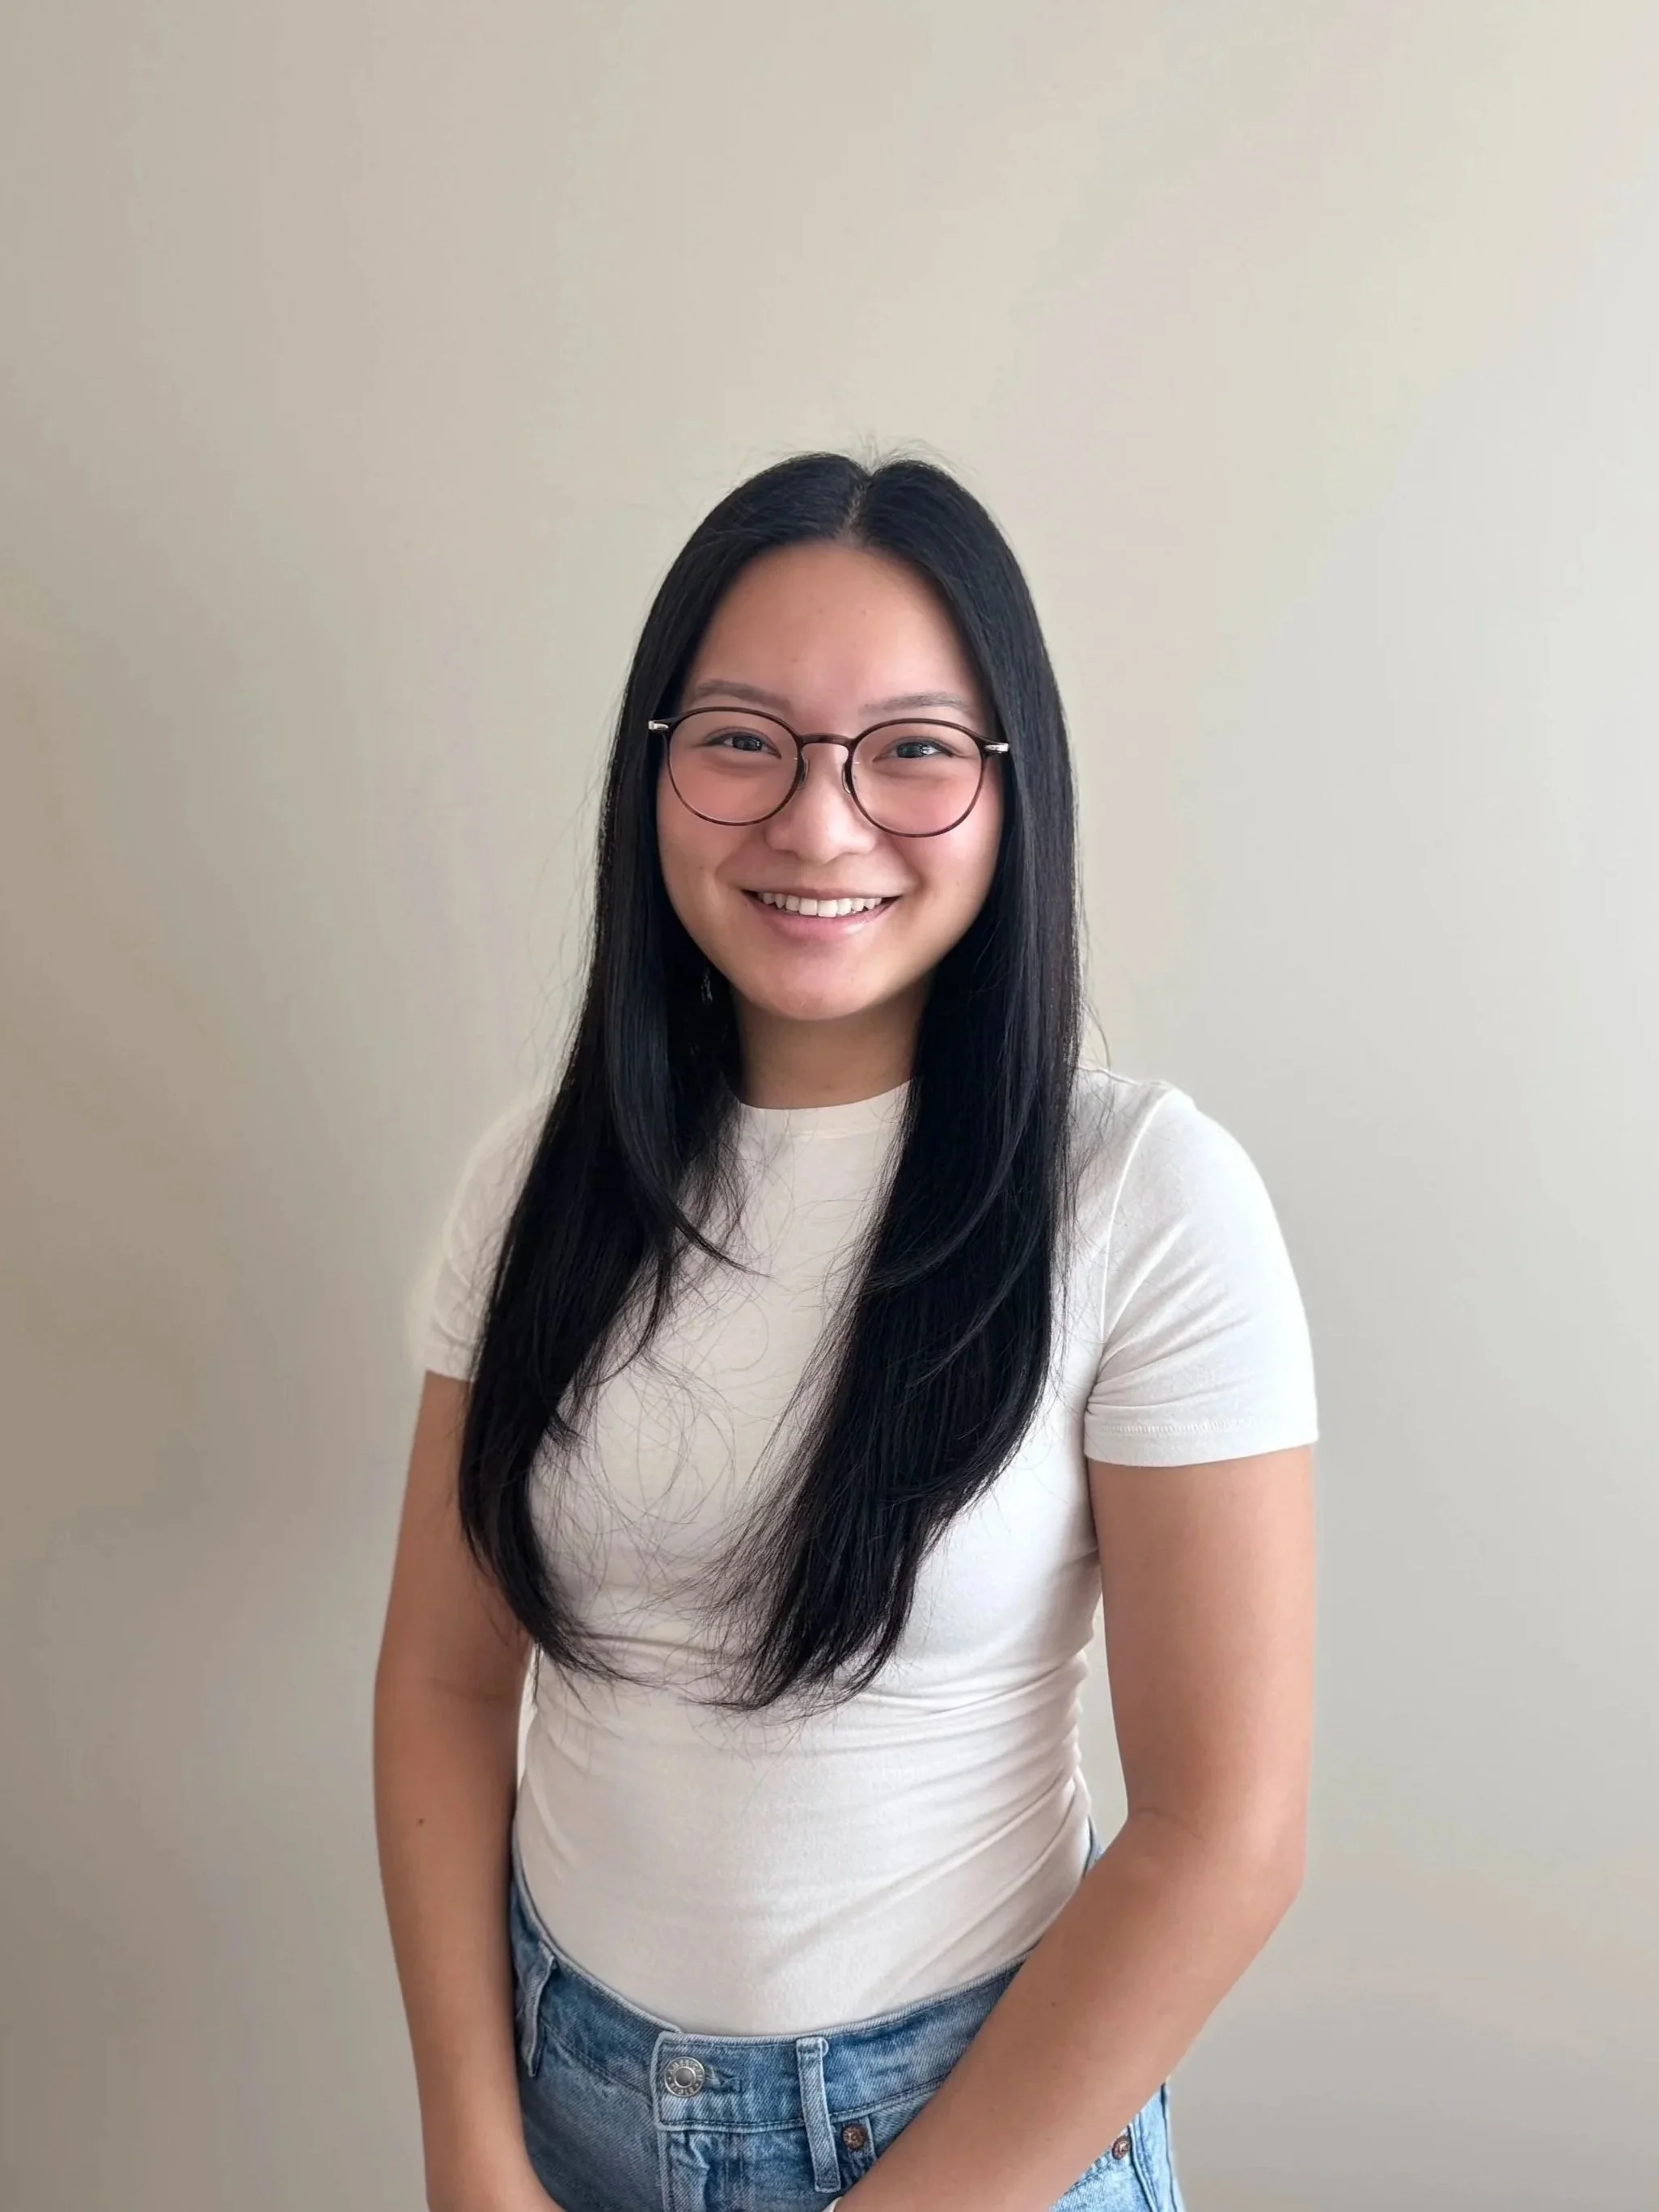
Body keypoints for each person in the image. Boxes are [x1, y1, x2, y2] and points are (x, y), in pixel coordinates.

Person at [374, 449, 1318, 2212]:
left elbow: (1222, 1836)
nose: (817, 822)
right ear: (653, 772)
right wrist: (471, 2143)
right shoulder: (531, 1185)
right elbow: (441, 1677)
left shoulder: (1140, 1195)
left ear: (1006, 787)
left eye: (910, 749)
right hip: (567, 2104)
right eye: (741, 737)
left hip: (975, 2129)